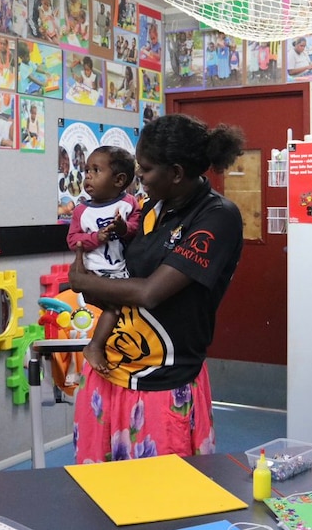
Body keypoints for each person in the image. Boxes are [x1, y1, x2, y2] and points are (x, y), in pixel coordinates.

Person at [68, 114, 245, 463]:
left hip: (162, 381)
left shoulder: (216, 216)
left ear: (176, 173)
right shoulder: (149, 210)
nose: (139, 178)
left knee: (164, 501)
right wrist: (95, 282)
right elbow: (117, 278)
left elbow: (150, 292)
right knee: (99, 495)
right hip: (110, 370)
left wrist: (84, 281)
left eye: (145, 170)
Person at [66, 146, 140, 373]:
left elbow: (136, 228)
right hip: (93, 271)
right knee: (113, 307)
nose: (88, 175)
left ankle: (106, 347)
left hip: (119, 269)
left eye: (96, 170)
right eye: (87, 169)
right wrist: (94, 238)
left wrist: (123, 227)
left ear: (119, 180)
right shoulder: (81, 210)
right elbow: (73, 240)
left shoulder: (128, 204)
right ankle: (95, 346)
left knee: (120, 309)